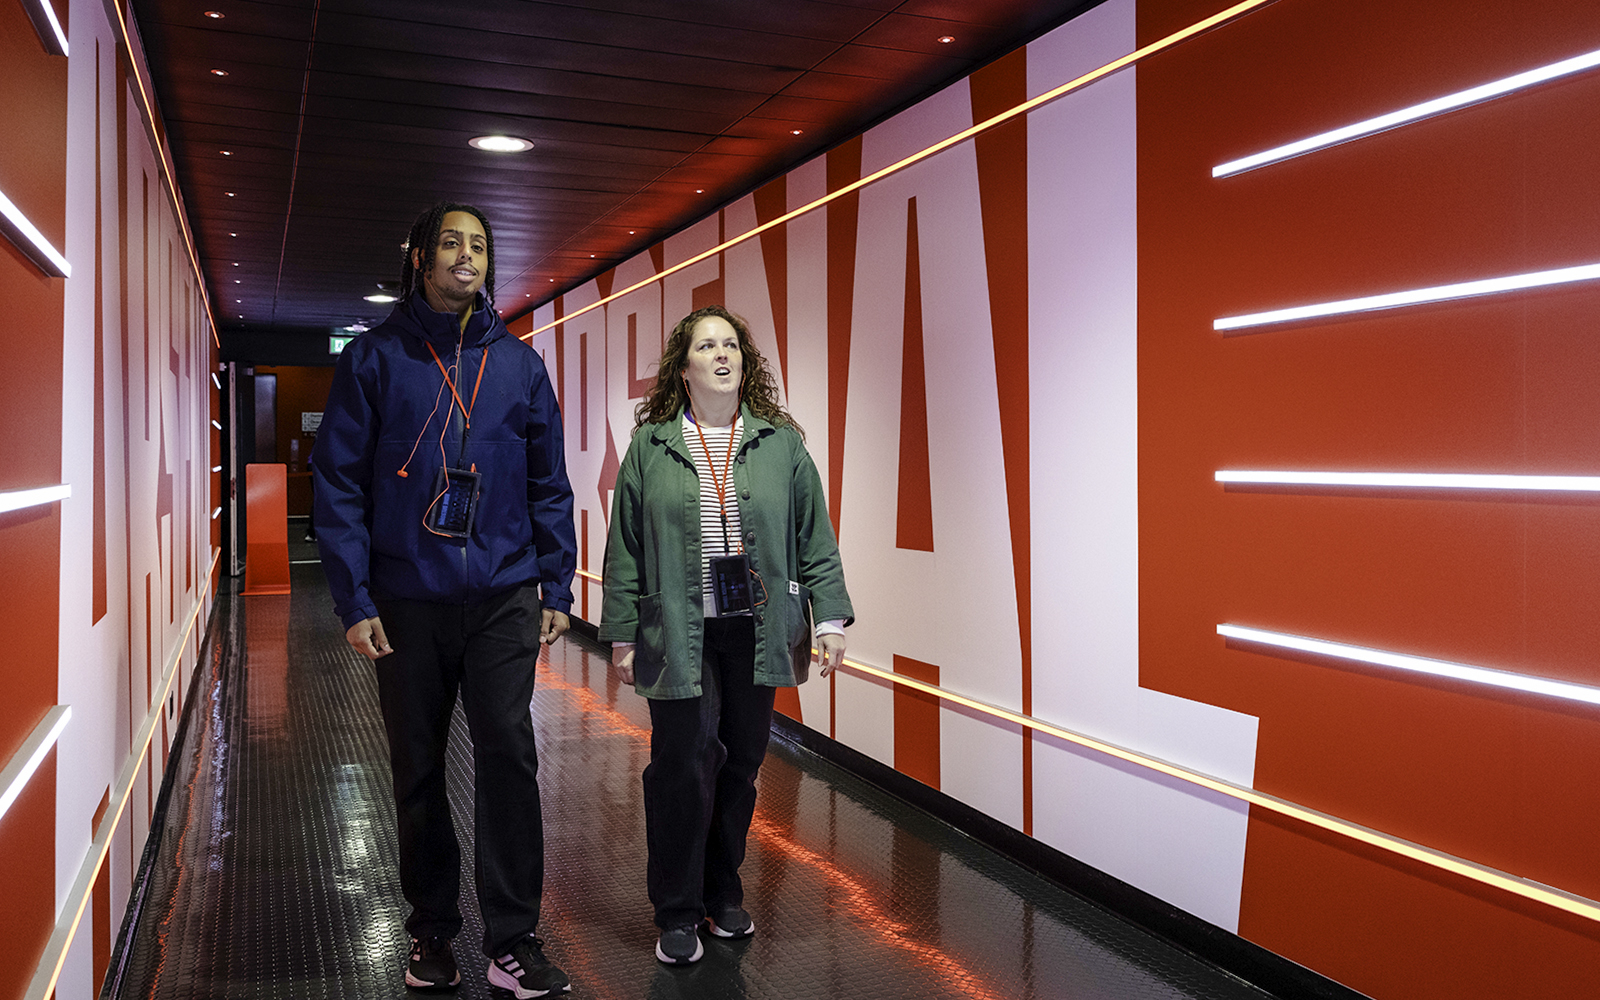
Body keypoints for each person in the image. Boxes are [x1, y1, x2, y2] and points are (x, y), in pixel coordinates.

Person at [312, 202, 576, 997]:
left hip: (503, 598)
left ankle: (513, 941)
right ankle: (430, 932)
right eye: (453, 243)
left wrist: (556, 582)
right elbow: (339, 488)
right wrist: (354, 599)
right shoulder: (373, 360)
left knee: (509, 760)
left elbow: (548, 485)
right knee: (418, 767)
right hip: (407, 601)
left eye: (481, 246)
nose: (468, 256)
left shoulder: (521, 367)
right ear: (421, 255)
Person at [600, 305, 853, 965]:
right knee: (682, 764)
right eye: (706, 345)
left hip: (755, 630)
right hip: (676, 629)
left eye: (731, 345)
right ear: (683, 369)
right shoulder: (651, 445)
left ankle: (722, 893)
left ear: (745, 364)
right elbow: (624, 548)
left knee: (739, 764)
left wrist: (829, 618)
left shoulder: (781, 445)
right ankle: (677, 911)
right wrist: (621, 634)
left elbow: (813, 539)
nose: (721, 354)